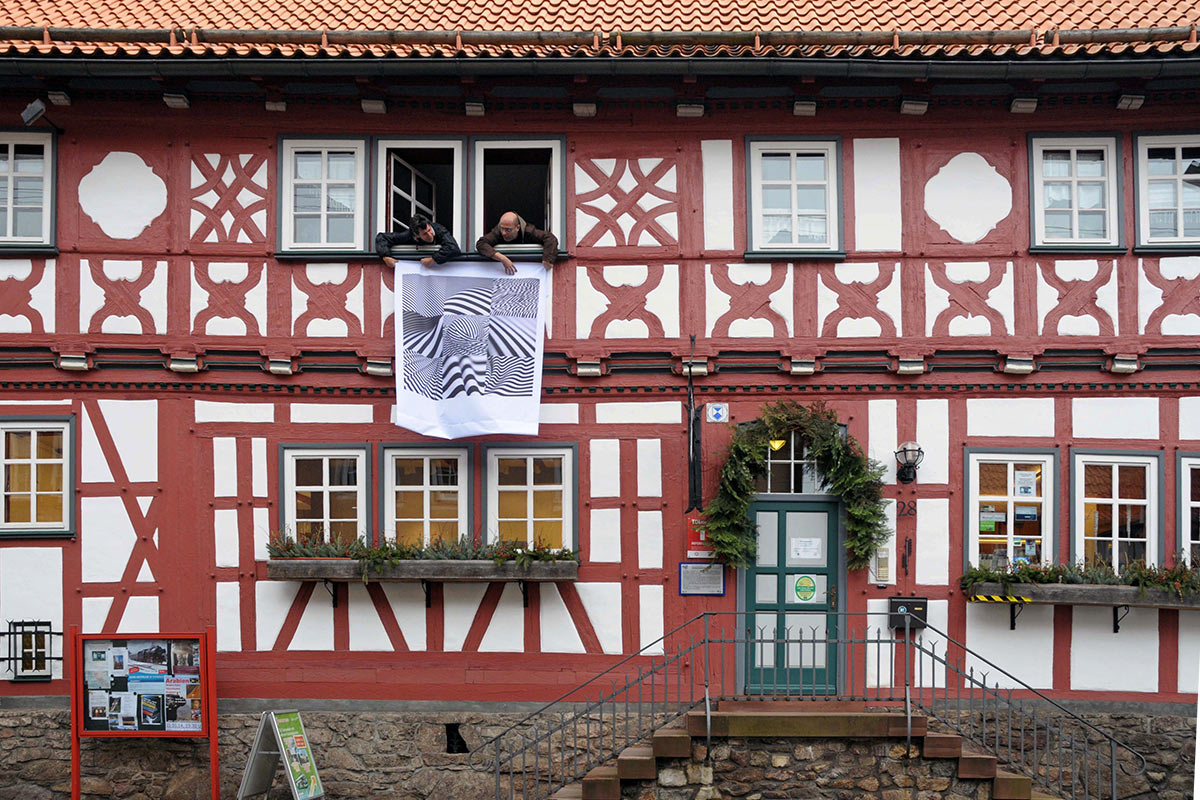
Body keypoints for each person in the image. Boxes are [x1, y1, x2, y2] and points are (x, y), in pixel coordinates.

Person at [475, 211, 558, 274]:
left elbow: (550, 238)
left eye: (508, 230)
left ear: (518, 227)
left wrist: (548, 259)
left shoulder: (528, 231)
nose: (503, 233)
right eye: (501, 228)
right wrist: (502, 258)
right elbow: (481, 244)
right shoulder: (497, 232)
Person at [375, 214, 462, 269]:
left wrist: (433, 259)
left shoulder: (439, 229)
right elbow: (382, 238)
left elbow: (453, 248)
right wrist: (386, 257)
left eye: (429, 230)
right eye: (424, 234)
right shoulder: (408, 235)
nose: (430, 235)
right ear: (416, 235)